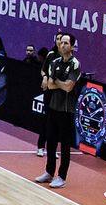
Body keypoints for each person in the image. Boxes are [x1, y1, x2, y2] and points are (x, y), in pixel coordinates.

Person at [35, 33, 81, 189]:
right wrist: (60, 83)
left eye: (66, 43)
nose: (62, 45)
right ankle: (49, 172)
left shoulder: (75, 64)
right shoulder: (54, 62)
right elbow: (50, 85)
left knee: (65, 145)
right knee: (51, 141)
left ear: (73, 46)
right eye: (61, 43)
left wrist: (58, 83)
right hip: (53, 106)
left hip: (66, 110)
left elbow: (69, 87)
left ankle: (62, 176)